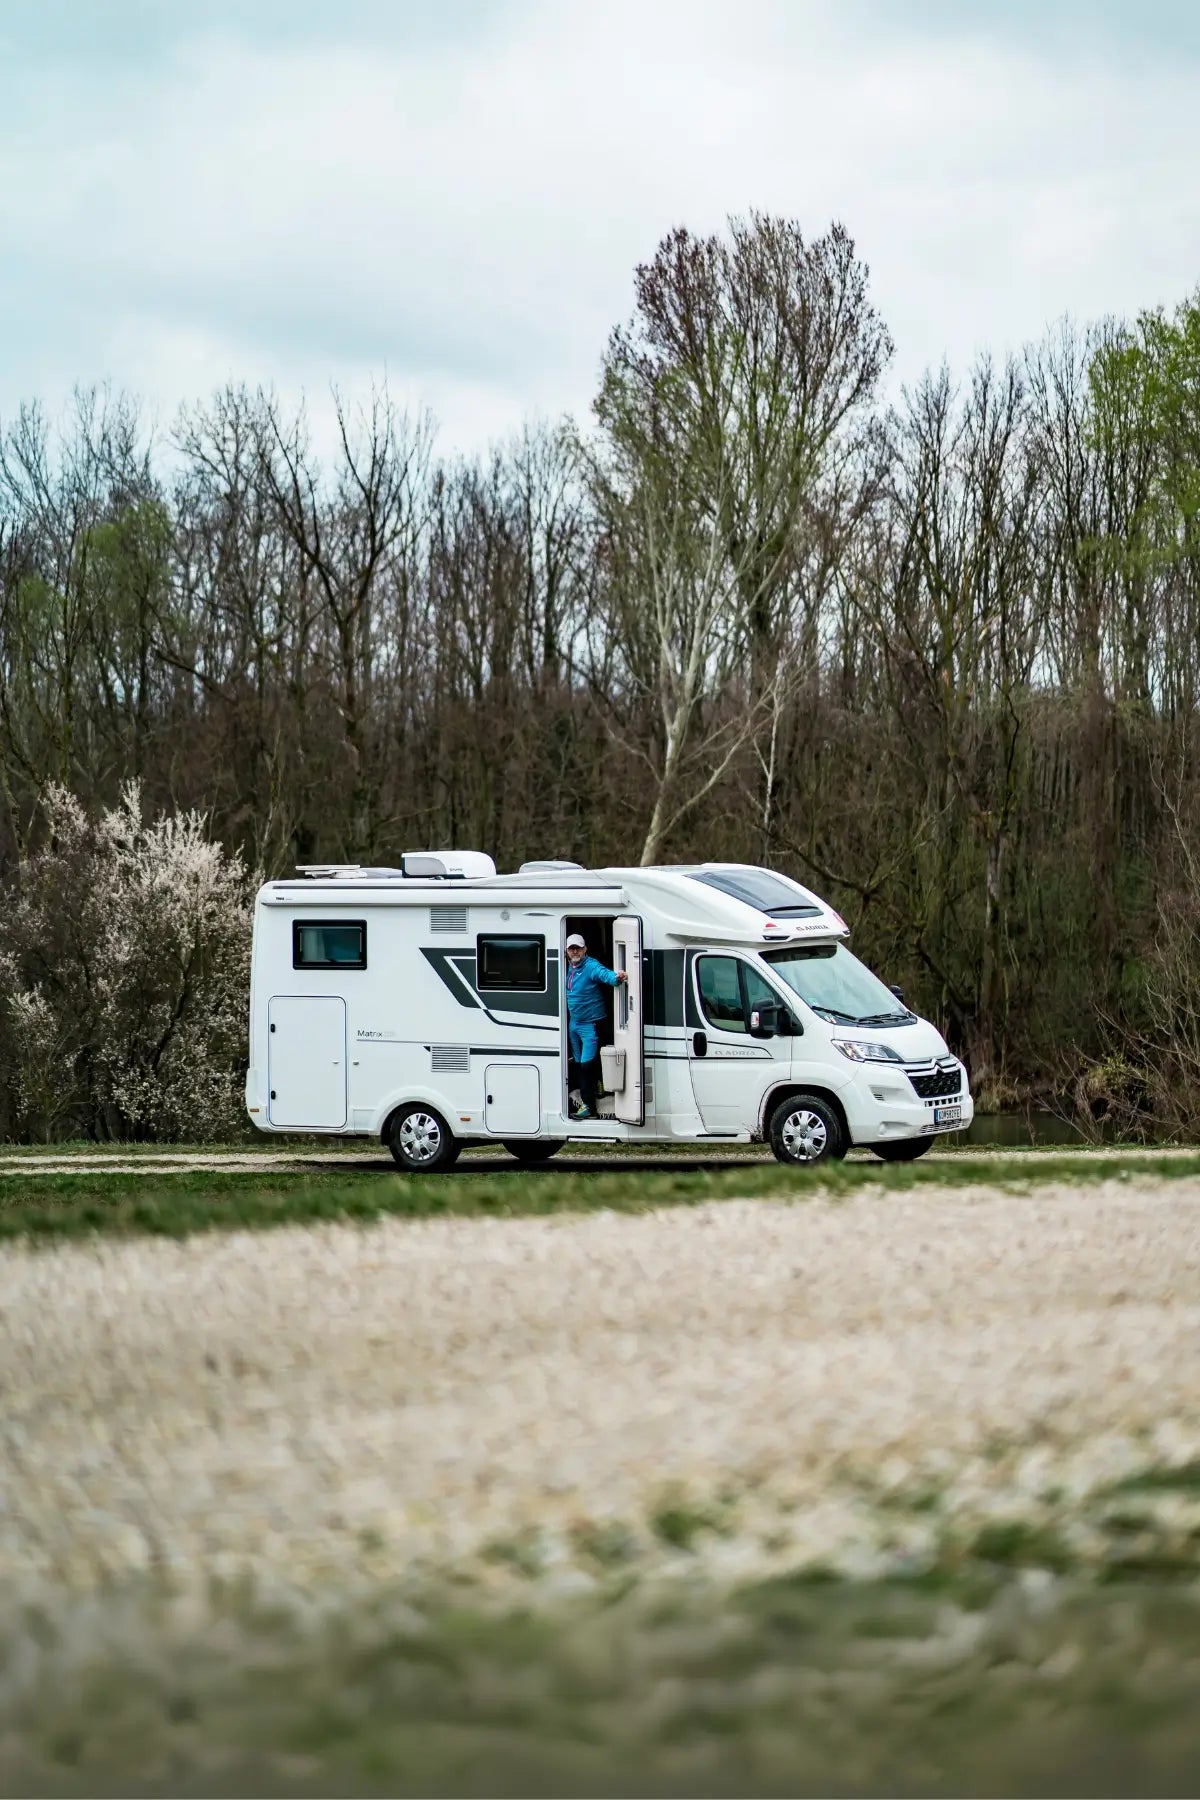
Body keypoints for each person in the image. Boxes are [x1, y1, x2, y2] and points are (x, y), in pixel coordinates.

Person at [565, 932, 627, 1119]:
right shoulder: (566, 966)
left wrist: (617, 977)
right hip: (573, 1023)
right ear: (567, 951)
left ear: (585, 949)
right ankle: (597, 1084)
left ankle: (588, 1107)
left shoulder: (590, 965)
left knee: (585, 1065)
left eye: (578, 948)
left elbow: (605, 974)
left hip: (590, 1024)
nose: (575, 951)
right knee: (577, 1062)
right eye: (571, 948)